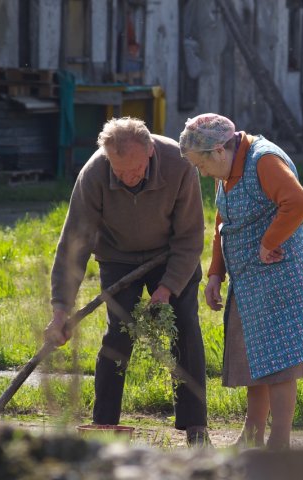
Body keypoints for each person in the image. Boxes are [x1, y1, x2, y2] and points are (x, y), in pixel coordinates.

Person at [44, 116, 210, 447]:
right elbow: (74, 246)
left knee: (186, 330)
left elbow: (191, 237)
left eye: (133, 170)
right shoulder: (94, 174)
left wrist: (167, 288)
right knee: (118, 336)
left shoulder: (179, 165)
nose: (128, 178)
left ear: (149, 152)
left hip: (169, 256)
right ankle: (103, 427)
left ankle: (196, 429)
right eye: (120, 173)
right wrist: (61, 309)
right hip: (118, 257)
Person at [178, 113, 303, 449]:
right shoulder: (227, 166)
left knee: (279, 364)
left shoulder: (264, 161)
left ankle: (279, 444)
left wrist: (268, 241)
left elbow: (298, 202)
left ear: (217, 150)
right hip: (249, 282)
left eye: (199, 165)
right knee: (255, 360)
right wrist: (216, 272)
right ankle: (252, 436)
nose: (201, 174)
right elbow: (223, 220)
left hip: (283, 277)